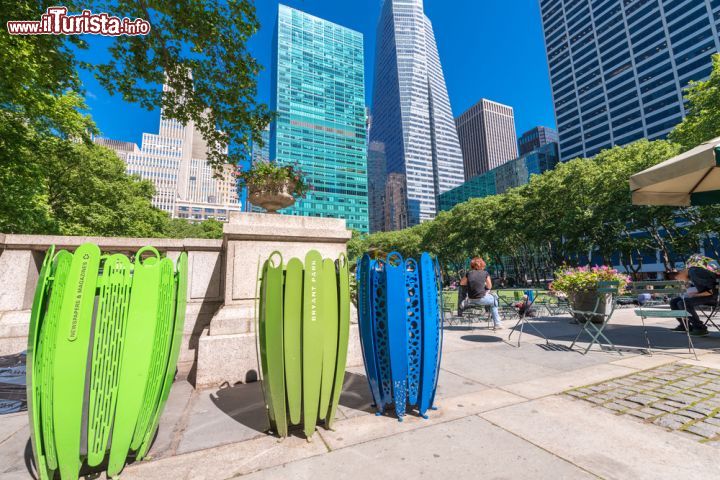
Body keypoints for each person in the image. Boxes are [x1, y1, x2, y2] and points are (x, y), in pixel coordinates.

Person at [669, 255, 719, 336]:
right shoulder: (693, 273)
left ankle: (700, 328)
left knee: (683, 303)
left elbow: (711, 291)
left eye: (677, 278)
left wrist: (695, 295)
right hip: (707, 295)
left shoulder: (695, 272)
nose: (680, 280)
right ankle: (685, 326)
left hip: (713, 297)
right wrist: (693, 292)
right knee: (674, 302)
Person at [459, 257, 502, 329]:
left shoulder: (468, 273)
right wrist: (484, 286)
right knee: (495, 299)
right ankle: (497, 322)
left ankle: (466, 301)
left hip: (471, 298)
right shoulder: (485, 273)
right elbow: (489, 286)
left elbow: (462, 283)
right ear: (482, 264)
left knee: (494, 299)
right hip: (481, 299)